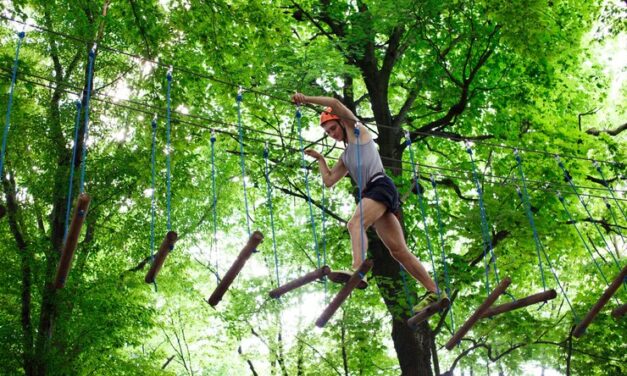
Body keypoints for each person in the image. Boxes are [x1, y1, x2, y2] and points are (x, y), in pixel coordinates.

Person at [291, 92, 443, 311]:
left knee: (354, 224)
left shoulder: (358, 132)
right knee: (398, 251)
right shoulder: (345, 156)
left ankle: (357, 269)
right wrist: (321, 159)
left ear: (342, 123)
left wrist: (305, 99)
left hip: (379, 185)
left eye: (333, 128)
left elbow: (334, 103)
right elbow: (329, 180)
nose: (332, 134)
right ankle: (435, 291)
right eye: (327, 132)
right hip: (375, 193)